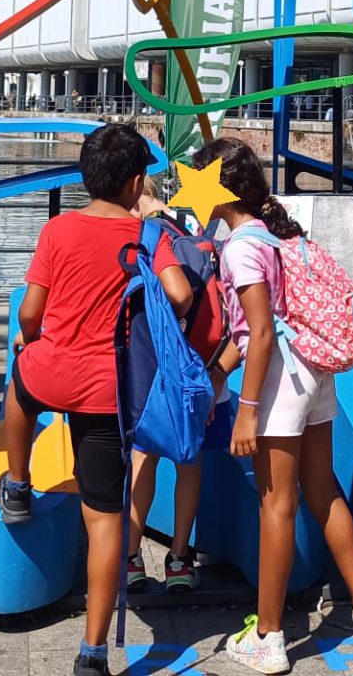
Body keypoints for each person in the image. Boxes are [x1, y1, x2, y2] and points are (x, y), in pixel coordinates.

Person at [205, 138, 353, 673]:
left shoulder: (241, 247)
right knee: (323, 490)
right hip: (314, 370)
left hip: (279, 380)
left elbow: (259, 334)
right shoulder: (277, 234)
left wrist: (244, 407)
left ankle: (268, 635)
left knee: (276, 504)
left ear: (219, 191)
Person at [0, 122, 156, 676]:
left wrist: (32, 336)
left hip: (53, 372)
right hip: (106, 391)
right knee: (104, 518)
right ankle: (92, 652)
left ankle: (17, 484)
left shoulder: (59, 230)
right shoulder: (143, 239)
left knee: (20, 386)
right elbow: (177, 298)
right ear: (136, 183)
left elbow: (30, 315)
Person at [123, 186, 216, 594]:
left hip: (154, 359)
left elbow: (178, 295)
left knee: (144, 454)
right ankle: (179, 559)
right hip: (194, 365)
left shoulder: (151, 234)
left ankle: (130, 557)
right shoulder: (188, 232)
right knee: (188, 459)